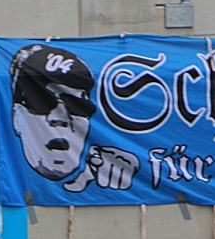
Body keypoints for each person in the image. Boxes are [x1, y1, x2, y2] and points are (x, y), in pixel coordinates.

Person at [9, 43, 139, 192]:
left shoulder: (100, 162)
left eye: (76, 105)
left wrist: (140, 175)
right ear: (16, 118)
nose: (60, 118)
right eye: (42, 103)